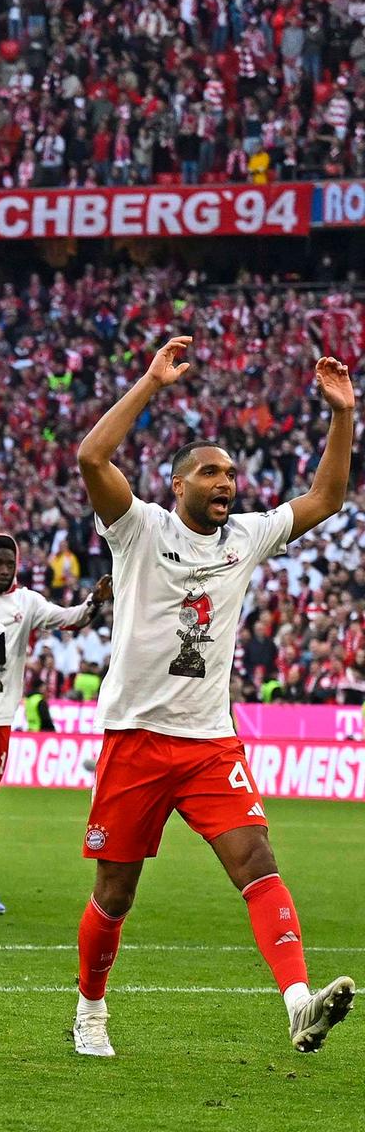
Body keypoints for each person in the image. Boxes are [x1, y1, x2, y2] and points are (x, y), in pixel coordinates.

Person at [71, 338, 357, 1058]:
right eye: (209, 472)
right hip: (135, 735)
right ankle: (90, 1010)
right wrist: (150, 383)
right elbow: (91, 459)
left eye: (230, 472)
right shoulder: (140, 528)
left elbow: (326, 496)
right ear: (178, 486)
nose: (225, 481)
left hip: (208, 743)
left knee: (256, 858)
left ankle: (298, 1002)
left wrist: (343, 416)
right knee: (116, 894)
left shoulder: (248, 538)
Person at [0, 535, 111, 913]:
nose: (4, 569)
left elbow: (70, 620)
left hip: (3, 715)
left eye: (9, 563)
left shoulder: (27, 602)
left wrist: (95, 602)